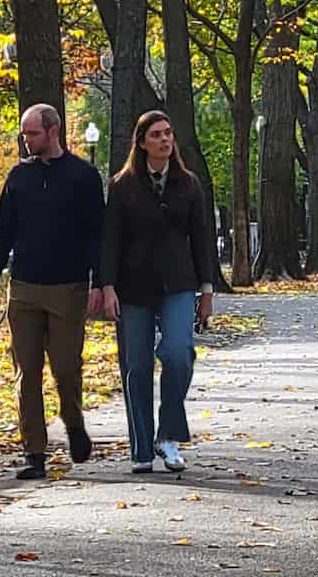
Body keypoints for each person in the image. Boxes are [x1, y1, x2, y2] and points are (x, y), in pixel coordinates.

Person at [0, 104, 105, 480]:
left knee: (66, 368)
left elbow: (97, 235)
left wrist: (100, 282)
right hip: (24, 288)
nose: (26, 140)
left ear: (53, 131)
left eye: (32, 133)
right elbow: (3, 235)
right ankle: (34, 452)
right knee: (26, 373)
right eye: (24, 134)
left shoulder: (83, 176)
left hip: (68, 287)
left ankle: (74, 422)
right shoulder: (19, 177)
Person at [101, 110, 213, 474]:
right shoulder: (122, 185)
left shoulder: (189, 184)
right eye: (156, 135)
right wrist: (107, 286)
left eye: (168, 133)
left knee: (179, 353)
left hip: (178, 283)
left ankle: (169, 435)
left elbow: (202, 240)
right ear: (142, 143)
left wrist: (207, 290)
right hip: (133, 287)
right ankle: (141, 448)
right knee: (137, 365)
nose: (164, 139)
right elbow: (110, 241)